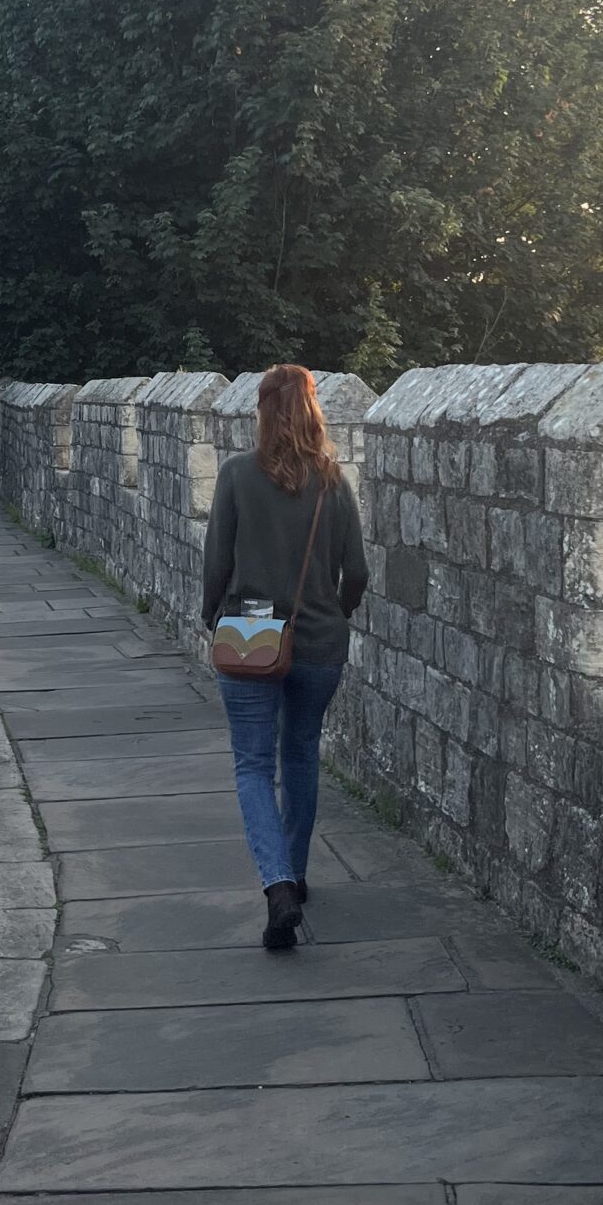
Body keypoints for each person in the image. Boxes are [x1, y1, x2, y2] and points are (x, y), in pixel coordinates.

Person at [202, 364, 367, 949]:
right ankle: (295, 875)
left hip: (249, 629)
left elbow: (217, 564)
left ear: (262, 414)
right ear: (312, 413)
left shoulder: (238, 475)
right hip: (319, 642)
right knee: (300, 753)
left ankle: (276, 886)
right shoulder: (332, 482)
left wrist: (212, 618)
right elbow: (358, 573)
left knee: (252, 764)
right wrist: (331, 616)